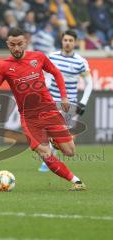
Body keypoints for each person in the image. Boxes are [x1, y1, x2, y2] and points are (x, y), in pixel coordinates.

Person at [0, 27, 86, 191]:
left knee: (70, 151)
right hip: (29, 118)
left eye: (19, 44)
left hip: (49, 110)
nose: (16, 48)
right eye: (12, 44)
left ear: (25, 42)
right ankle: (77, 182)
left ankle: (53, 140)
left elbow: (56, 73)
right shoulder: (4, 67)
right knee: (45, 153)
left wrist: (64, 97)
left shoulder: (38, 57)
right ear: (7, 44)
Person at [39, 29, 93, 172]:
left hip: (70, 104)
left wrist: (84, 102)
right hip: (51, 101)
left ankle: (49, 160)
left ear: (75, 43)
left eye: (70, 41)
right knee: (55, 134)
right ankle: (49, 161)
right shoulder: (52, 57)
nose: (68, 43)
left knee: (59, 135)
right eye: (65, 40)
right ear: (61, 41)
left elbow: (90, 82)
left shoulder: (80, 62)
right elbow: (45, 77)